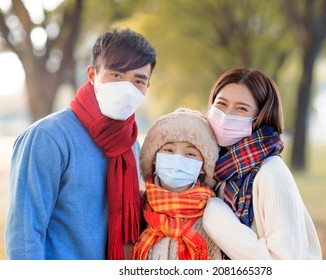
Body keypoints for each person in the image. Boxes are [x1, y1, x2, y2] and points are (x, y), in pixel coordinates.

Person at [4, 28, 156, 260]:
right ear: (93, 75)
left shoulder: (131, 145)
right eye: (116, 75)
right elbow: (24, 235)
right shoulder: (47, 137)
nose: (127, 88)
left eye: (138, 81)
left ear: (147, 88)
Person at [202, 67, 322, 260]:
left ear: (260, 117)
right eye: (221, 104)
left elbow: (283, 261)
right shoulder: (216, 169)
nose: (226, 115)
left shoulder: (271, 172)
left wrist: (214, 215)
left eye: (241, 108)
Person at [130, 108, 222, 260]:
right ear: (154, 157)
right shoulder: (138, 208)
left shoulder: (213, 214)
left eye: (190, 154)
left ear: (204, 167)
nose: (178, 159)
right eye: (169, 150)